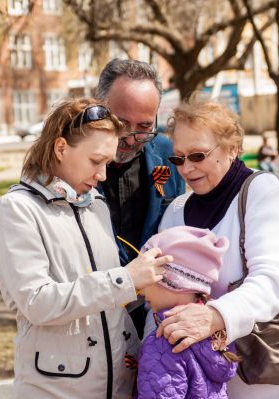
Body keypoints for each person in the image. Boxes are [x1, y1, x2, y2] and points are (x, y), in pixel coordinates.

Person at [154, 98, 279, 398]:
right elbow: (160, 292)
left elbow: (274, 280)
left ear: (232, 148)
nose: (187, 168)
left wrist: (213, 316)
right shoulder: (175, 212)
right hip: (223, 384)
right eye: (178, 159)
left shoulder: (261, 191)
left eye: (197, 155)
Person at [0, 98, 173, 398]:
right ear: (60, 148)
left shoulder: (95, 204)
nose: (102, 175)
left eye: (107, 164)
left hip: (121, 385)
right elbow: (36, 302)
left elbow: (108, 301)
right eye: (95, 161)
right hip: (56, 389)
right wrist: (126, 280)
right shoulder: (18, 209)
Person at [96, 58, 186, 338]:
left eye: (144, 126)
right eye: (121, 123)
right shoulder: (68, 158)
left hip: (151, 317)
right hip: (91, 314)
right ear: (99, 107)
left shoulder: (168, 154)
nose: (132, 139)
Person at [136, 226, 239, 399]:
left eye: (146, 277)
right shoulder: (217, 333)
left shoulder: (164, 343)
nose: (141, 290)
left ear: (170, 282)